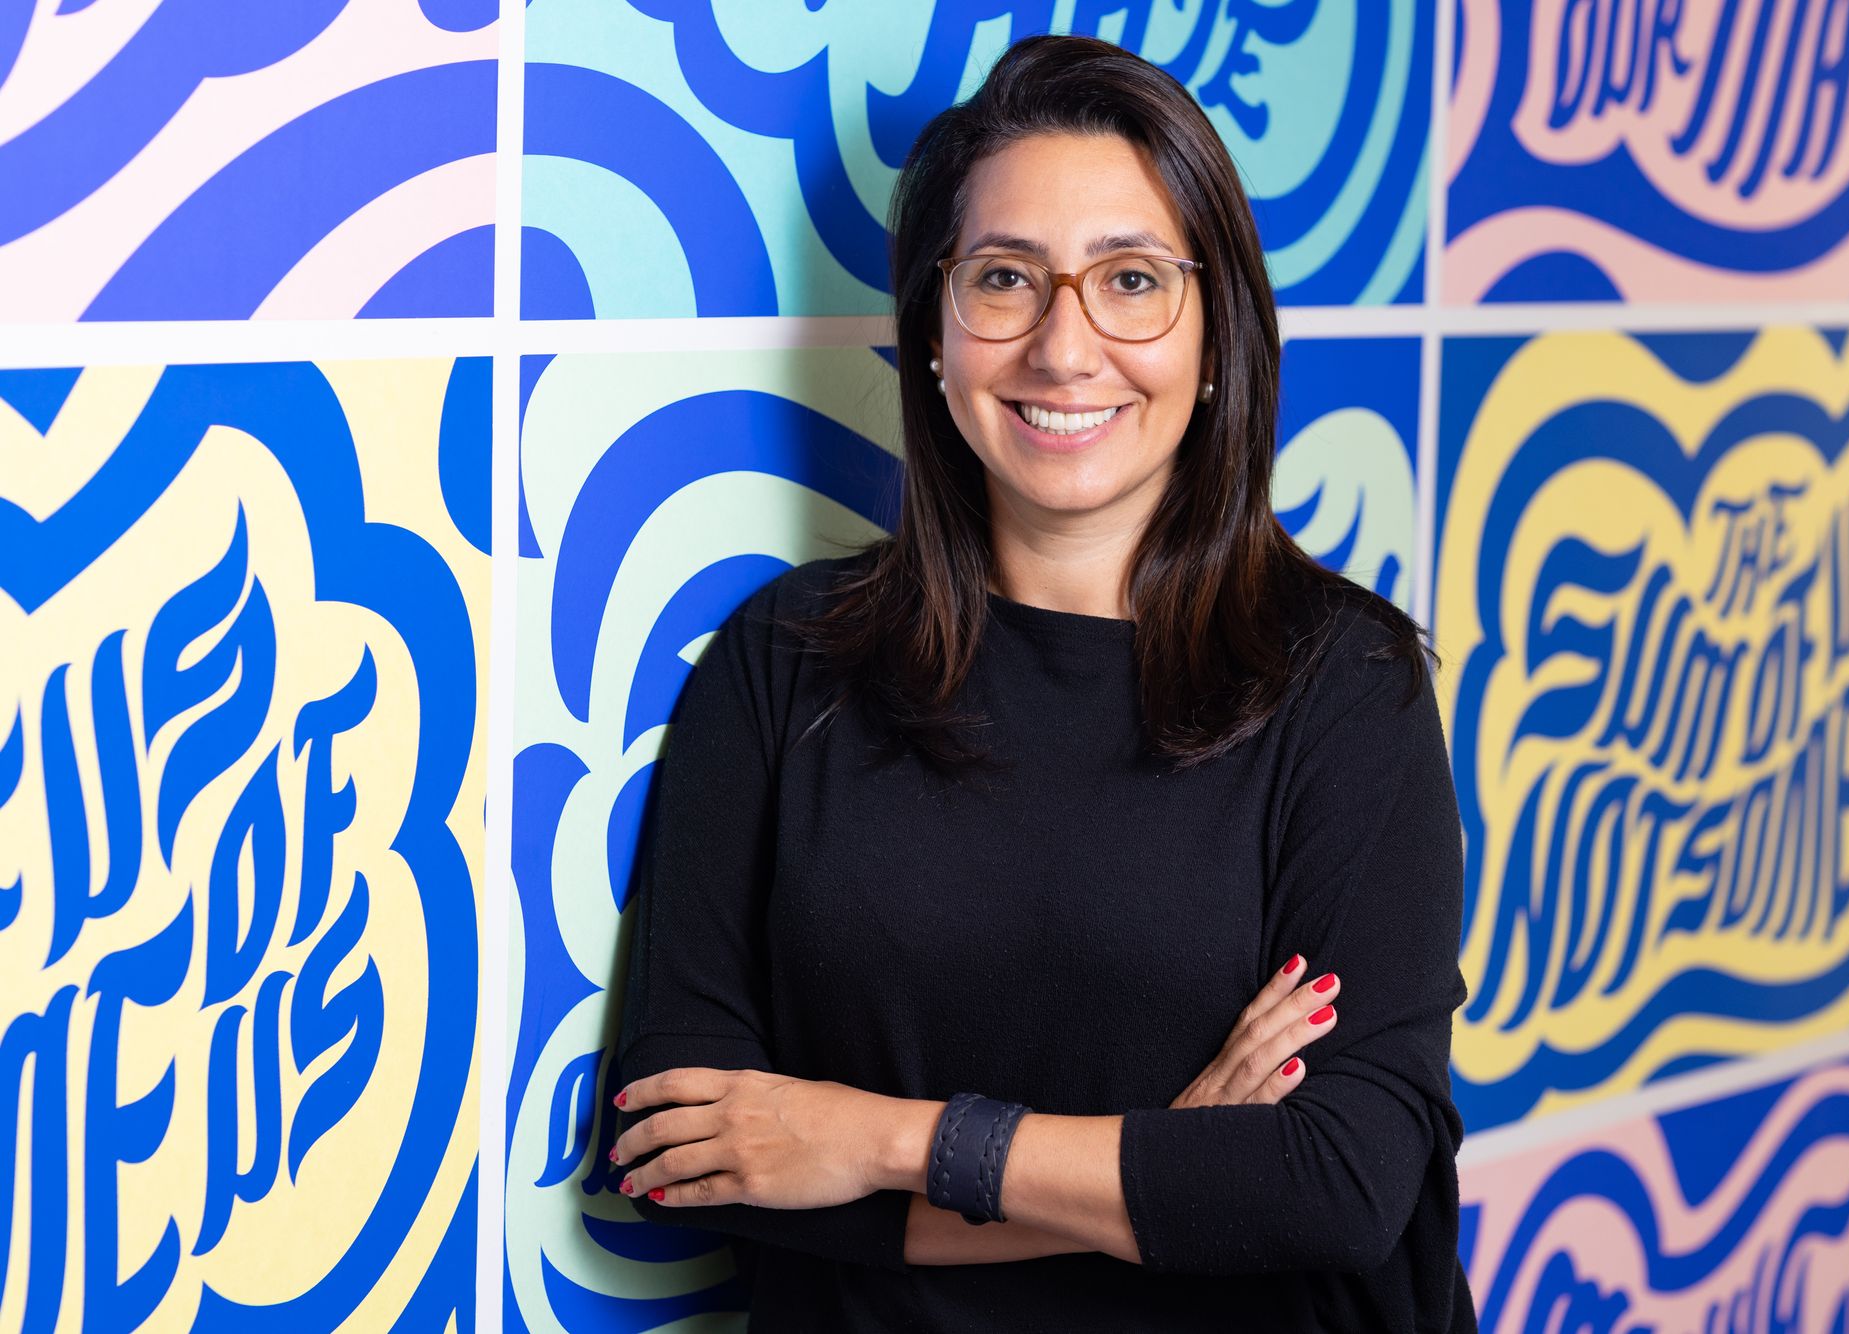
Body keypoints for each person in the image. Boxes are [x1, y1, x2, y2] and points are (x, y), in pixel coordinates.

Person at [607, 32, 1475, 1333]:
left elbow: (1337, 1183)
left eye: (1132, 281)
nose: (1066, 348)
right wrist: (1163, 1168)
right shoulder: (787, 662)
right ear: (935, 330)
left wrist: (881, 1140)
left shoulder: (1343, 687)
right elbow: (683, 1144)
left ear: (1218, 336)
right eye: (1005, 278)